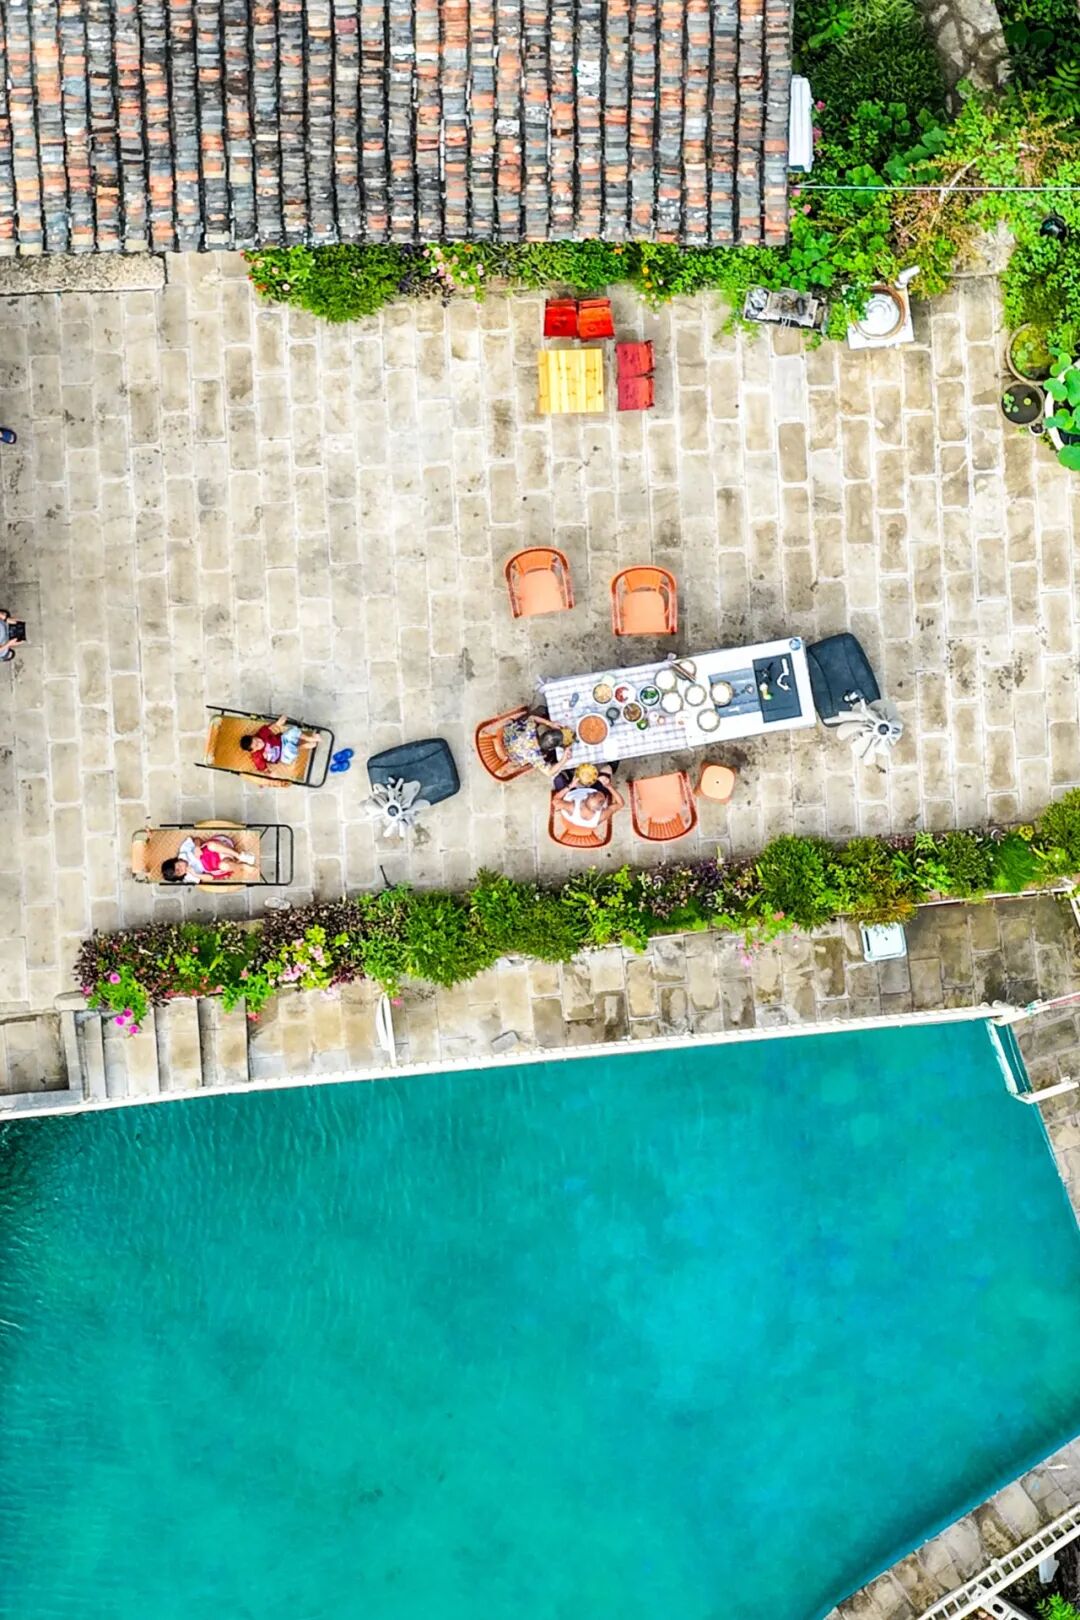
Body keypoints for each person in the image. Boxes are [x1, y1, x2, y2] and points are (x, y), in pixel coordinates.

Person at [238, 713, 321, 774]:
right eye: (257, 745)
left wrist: (279, 722)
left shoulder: (261, 734)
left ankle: (309, 738)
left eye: (257, 739)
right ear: (253, 750)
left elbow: (271, 728)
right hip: (282, 755)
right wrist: (269, 773)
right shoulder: (257, 756)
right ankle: (304, 746)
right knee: (289, 750)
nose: (259, 742)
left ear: (254, 736)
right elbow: (262, 768)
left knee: (293, 732)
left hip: (282, 740)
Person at [552, 764, 624, 833]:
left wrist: (571, 786)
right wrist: (609, 786)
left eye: (590, 795)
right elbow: (621, 804)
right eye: (594, 793)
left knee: (557, 777)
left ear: (583, 801)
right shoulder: (601, 816)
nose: (589, 793)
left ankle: (569, 773)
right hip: (590, 795)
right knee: (607, 770)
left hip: (572, 793)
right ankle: (612, 765)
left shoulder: (571, 807)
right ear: (600, 807)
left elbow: (555, 800)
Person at [160, 834, 257, 885]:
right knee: (224, 866)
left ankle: (240, 856)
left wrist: (197, 847)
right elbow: (210, 878)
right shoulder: (189, 876)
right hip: (217, 863)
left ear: (175, 861)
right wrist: (195, 874)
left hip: (220, 846)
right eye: (179, 872)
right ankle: (242, 866)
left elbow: (197, 839)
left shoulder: (184, 850)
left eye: (178, 867)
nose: (181, 869)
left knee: (211, 846)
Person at [501, 711, 574, 778]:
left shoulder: (530, 731)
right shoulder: (536, 757)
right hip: (512, 754)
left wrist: (550, 723)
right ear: (551, 749)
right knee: (551, 758)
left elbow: (532, 717)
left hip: (510, 738)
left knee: (538, 712)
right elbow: (549, 772)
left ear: (543, 734)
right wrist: (564, 759)